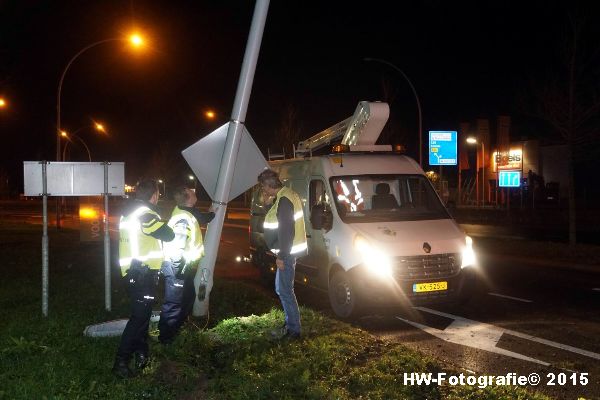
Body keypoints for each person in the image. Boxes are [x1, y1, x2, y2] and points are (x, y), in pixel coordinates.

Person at [112, 179, 175, 378]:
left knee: (143, 316)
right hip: (142, 274)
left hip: (134, 273)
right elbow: (168, 234)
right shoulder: (145, 214)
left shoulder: (130, 212)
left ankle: (141, 353)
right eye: (158, 194)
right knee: (138, 318)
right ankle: (120, 363)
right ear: (154, 195)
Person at [160, 183, 214, 344]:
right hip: (177, 266)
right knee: (174, 302)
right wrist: (180, 269)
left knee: (187, 297)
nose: (194, 191)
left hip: (183, 266)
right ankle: (166, 338)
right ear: (187, 197)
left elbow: (202, 218)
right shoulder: (183, 218)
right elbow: (178, 246)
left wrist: (212, 213)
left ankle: (176, 327)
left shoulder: (187, 212)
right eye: (191, 191)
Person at [258, 169, 307, 340]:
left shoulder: (284, 199)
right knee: (283, 289)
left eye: (262, 187)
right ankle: (291, 324)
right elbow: (278, 219)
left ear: (267, 185)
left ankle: (293, 330)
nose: (262, 190)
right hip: (287, 251)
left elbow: (287, 231)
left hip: (287, 252)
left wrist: (281, 256)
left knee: (285, 290)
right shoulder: (285, 195)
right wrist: (266, 203)